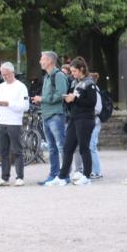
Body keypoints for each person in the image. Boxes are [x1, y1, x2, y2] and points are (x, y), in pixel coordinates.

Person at [45, 57, 99, 187]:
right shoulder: (74, 83)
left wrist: (74, 99)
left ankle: (86, 176)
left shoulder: (89, 83)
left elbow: (92, 103)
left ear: (81, 69)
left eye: (74, 71)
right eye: (72, 72)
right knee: (68, 148)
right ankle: (62, 176)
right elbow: (71, 99)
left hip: (85, 119)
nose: (73, 74)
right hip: (73, 119)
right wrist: (67, 100)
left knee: (84, 147)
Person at [30, 51, 69, 185]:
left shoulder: (58, 76)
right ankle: (53, 175)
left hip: (56, 116)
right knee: (52, 148)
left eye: (42, 59)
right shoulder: (47, 76)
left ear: (50, 61)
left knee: (61, 146)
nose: (40, 61)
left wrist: (43, 99)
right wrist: (40, 100)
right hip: (47, 115)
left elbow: (61, 95)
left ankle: (64, 175)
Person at [0, 62, 29, 186]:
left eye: (6, 74)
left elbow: (25, 106)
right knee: (3, 151)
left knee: (17, 150)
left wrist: (8, 104)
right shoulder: (1, 87)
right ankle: (4, 177)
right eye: (2, 75)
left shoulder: (21, 86)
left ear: (12, 73)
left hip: (14, 122)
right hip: (2, 121)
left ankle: (20, 177)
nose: (4, 77)